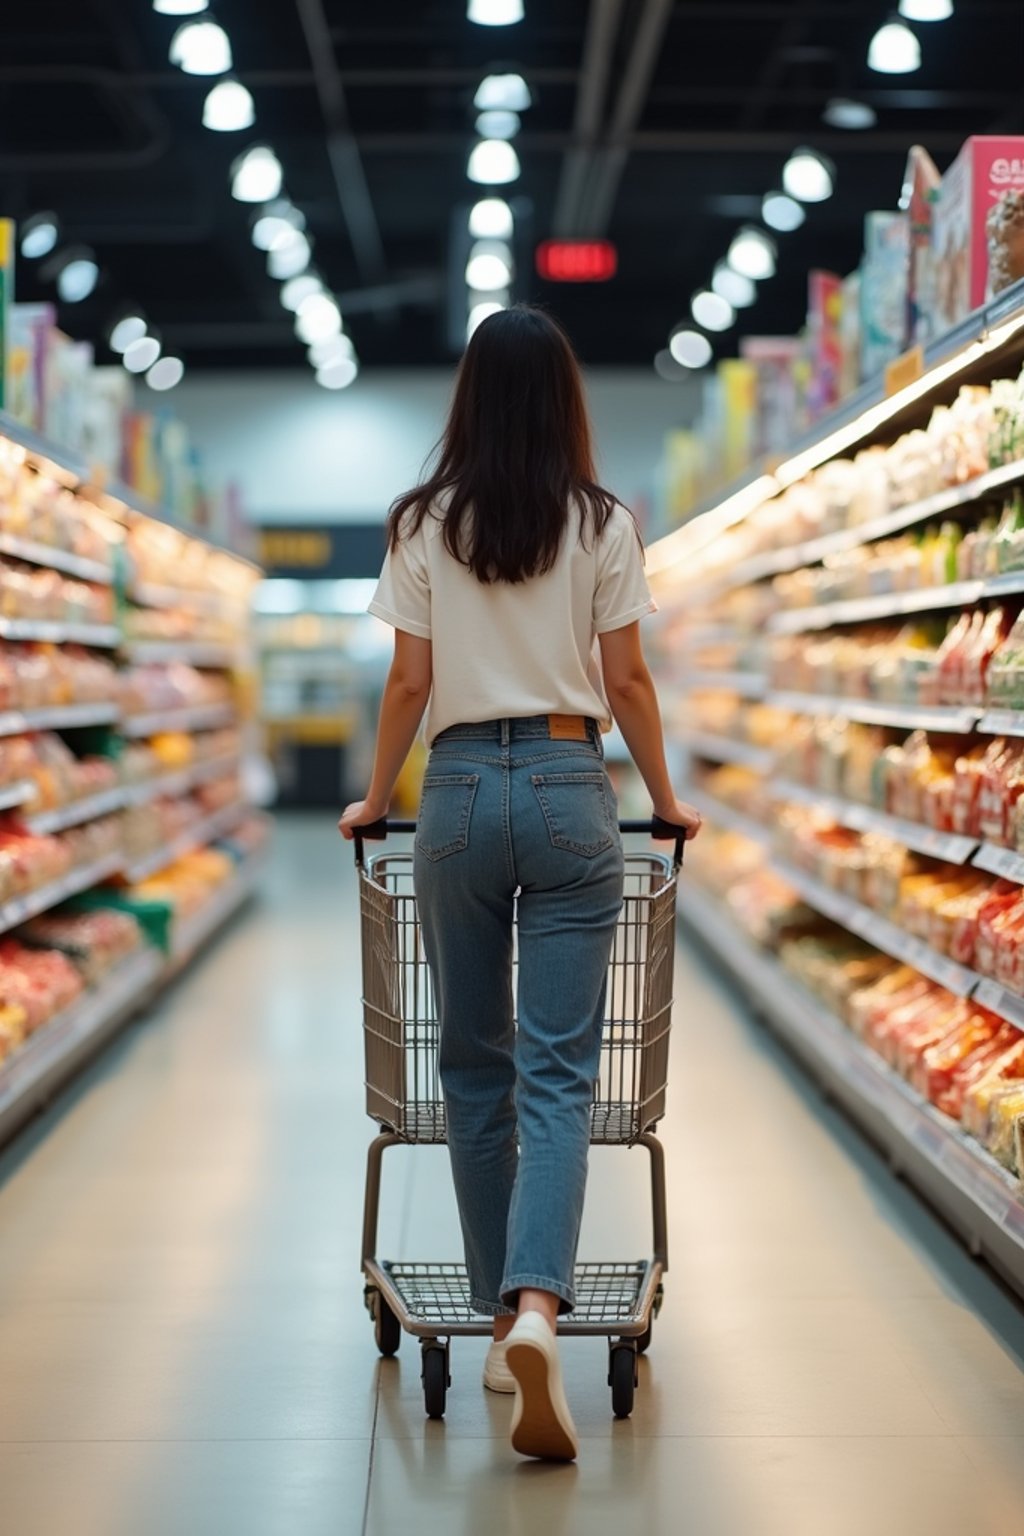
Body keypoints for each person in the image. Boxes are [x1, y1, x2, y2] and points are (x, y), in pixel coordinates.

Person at [339, 305, 701, 1462]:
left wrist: (372, 795)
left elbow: (408, 683)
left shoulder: (421, 521)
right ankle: (538, 1308)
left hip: (452, 795)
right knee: (559, 1071)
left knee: (469, 1064)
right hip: (565, 782)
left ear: (466, 401)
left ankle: (502, 1312)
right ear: (565, 403)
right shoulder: (602, 521)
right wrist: (664, 792)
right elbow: (629, 678)